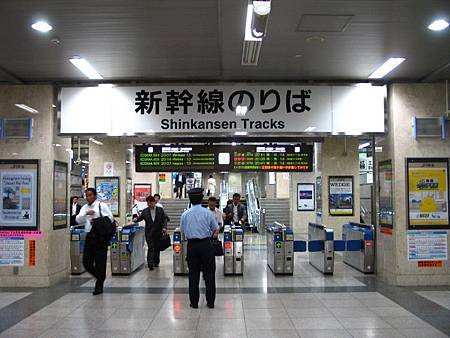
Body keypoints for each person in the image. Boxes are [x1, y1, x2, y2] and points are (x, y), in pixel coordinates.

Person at [180, 188, 219, 309]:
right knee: (209, 274)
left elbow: (182, 230)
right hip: (206, 245)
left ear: (190, 200)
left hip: (192, 246)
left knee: (193, 275)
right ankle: (211, 302)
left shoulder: (185, 214)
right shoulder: (208, 213)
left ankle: (194, 302)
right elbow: (215, 228)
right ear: (202, 199)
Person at [76, 188, 114, 295]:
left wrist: (96, 220)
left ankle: (99, 286)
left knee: (100, 262)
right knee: (86, 262)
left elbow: (110, 218)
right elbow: (78, 219)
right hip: (89, 236)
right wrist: (85, 214)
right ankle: (100, 276)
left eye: (90, 195)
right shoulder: (84, 207)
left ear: (95, 196)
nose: (88, 197)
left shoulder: (101, 206)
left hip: (100, 238)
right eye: (86, 195)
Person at [133, 196, 167, 270]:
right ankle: (150, 264)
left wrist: (164, 228)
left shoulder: (160, 210)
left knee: (157, 248)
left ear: (154, 202)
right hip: (149, 233)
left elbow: (165, 219)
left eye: (150, 203)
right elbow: (140, 218)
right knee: (151, 247)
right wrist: (135, 219)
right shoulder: (145, 211)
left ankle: (156, 262)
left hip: (158, 232)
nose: (149, 204)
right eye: (148, 203)